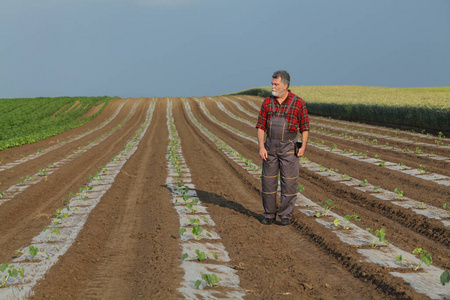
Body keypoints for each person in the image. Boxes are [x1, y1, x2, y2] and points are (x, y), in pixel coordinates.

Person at [256, 70, 309, 225]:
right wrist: (261, 147)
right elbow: (260, 126)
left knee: (289, 182)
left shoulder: (298, 103)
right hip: (270, 147)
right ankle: (269, 215)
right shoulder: (267, 102)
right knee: (268, 182)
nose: (273, 86)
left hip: (289, 147)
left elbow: (304, 128)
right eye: (272, 83)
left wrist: (303, 146)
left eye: (276, 84)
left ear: (285, 86)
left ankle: (285, 216)